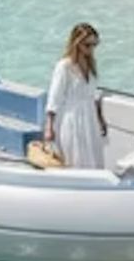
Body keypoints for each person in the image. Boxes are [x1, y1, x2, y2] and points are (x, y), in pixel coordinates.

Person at [44, 23, 108, 168]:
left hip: (90, 118)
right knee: (76, 159)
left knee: (92, 157)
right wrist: (49, 127)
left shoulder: (91, 64)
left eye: (94, 45)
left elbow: (94, 95)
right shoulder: (64, 66)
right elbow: (54, 97)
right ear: (77, 43)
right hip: (72, 118)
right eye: (87, 45)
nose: (91, 49)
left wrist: (100, 119)